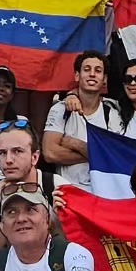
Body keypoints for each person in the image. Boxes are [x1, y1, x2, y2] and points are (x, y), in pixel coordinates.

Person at [41, 50, 117, 189]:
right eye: (87, 69)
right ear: (77, 75)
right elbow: (50, 153)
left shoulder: (112, 112)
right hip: (67, 191)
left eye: (98, 70)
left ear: (104, 79)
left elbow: (115, 155)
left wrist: (75, 144)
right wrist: (97, 155)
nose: (92, 74)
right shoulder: (60, 109)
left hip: (102, 191)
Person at [0, 120, 44, 263]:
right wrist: (6, 217)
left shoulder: (56, 187)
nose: (8, 160)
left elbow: (77, 252)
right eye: (2, 153)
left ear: (34, 157)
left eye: (17, 151)